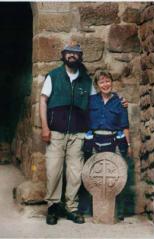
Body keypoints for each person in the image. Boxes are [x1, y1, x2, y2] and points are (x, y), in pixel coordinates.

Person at [39, 38, 92, 225]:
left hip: (78, 134)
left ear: (80, 56)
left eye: (76, 52)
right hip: (56, 133)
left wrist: (119, 100)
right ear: (63, 56)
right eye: (68, 52)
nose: (72, 55)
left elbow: (95, 103)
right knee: (53, 171)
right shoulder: (53, 76)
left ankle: (72, 208)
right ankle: (53, 207)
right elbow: (43, 101)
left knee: (75, 173)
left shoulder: (86, 80)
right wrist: (45, 127)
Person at [83, 70, 132, 220]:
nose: (105, 84)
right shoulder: (91, 101)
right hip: (94, 140)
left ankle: (118, 210)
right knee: (93, 175)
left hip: (115, 140)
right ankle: (94, 209)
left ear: (112, 82)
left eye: (107, 81)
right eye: (102, 82)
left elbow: (125, 126)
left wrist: (128, 145)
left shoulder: (119, 102)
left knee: (118, 174)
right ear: (97, 85)